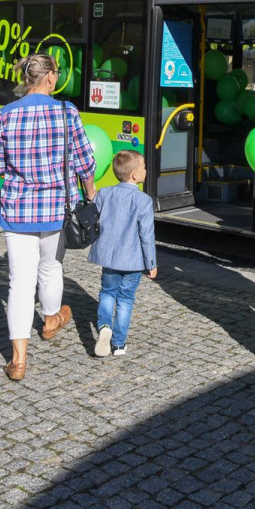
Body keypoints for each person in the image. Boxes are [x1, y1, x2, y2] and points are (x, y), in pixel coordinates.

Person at [0, 53, 96, 381]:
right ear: (49, 78)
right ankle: (50, 321)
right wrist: (90, 195)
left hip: (18, 209)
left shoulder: (5, 114)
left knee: (19, 281)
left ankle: (18, 360)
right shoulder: (67, 112)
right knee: (50, 267)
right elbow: (84, 162)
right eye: (56, 73)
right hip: (56, 210)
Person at [87, 150, 157, 357]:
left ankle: (105, 327)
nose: (145, 170)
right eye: (143, 167)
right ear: (135, 175)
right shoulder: (143, 201)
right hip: (133, 261)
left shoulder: (105, 194)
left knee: (108, 292)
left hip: (109, 258)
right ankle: (118, 344)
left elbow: (94, 212)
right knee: (126, 298)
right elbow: (147, 235)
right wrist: (151, 263)